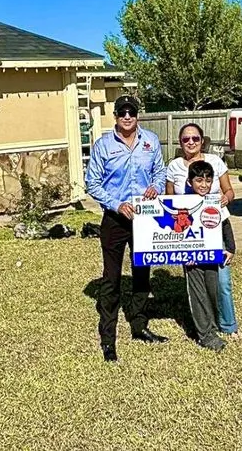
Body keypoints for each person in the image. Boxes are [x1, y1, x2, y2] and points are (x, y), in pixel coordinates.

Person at [85, 95, 168, 362]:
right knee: (111, 278)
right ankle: (108, 339)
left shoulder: (151, 141)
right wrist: (116, 204)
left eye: (132, 112)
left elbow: (160, 171)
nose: (128, 116)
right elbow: (92, 182)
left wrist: (156, 185)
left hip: (144, 218)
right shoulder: (103, 145)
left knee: (142, 271)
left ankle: (140, 326)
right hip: (115, 218)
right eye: (123, 112)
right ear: (116, 116)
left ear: (138, 115)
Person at [165, 123, 241, 339]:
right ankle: (205, 325)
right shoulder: (174, 167)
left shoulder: (215, 162)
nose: (191, 142)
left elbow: (229, 191)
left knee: (222, 280)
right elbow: (168, 199)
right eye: (186, 139)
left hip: (215, 226)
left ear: (202, 141)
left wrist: (225, 199)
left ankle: (228, 324)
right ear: (180, 143)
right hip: (189, 233)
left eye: (195, 139)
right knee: (196, 282)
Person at [179, 160, 234, 352]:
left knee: (213, 290)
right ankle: (205, 334)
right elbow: (176, 231)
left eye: (208, 181)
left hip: (212, 254)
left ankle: (213, 324)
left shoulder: (214, 200)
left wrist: (231, 248)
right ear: (189, 182)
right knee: (198, 292)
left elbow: (225, 224)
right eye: (199, 180)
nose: (204, 185)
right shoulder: (182, 203)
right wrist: (184, 253)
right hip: (192, 258)